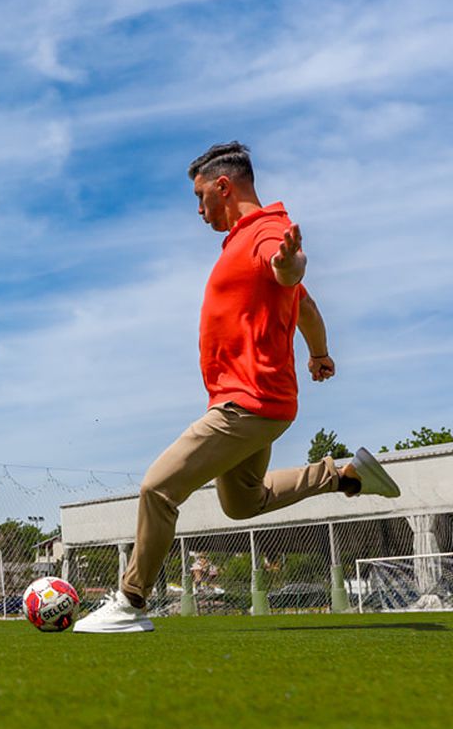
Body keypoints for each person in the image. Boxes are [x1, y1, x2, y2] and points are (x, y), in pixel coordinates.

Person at [73, 142, 400, 634]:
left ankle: (131, 601)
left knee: (158, 489)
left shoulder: (265, 233)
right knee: (242, 503)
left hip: (246, 404)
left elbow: (285, 266)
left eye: (202, 197)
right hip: (263, 403)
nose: (199, 210)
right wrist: (319, 353)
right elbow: (305, 307)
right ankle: (347, 476)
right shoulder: (242, 240)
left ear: (223, 187)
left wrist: (291, 263)